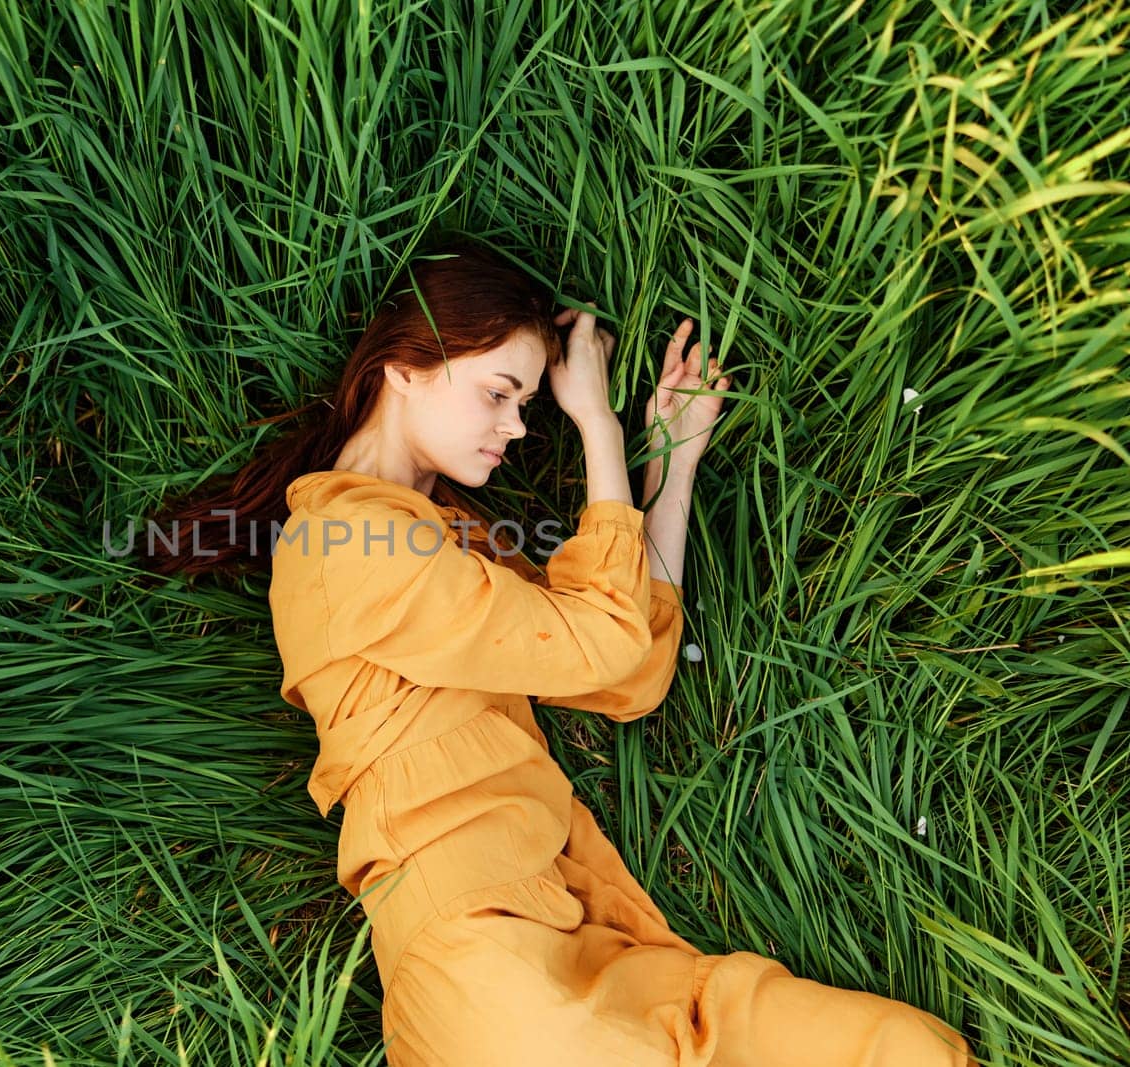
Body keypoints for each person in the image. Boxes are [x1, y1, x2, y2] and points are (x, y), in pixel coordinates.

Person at [138, 238, 973, 1066]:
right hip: (479, 963)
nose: (514, 427)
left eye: (530, 406)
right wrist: (598, 427)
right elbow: (601, 639)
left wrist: (670, 467)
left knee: (909, 1048)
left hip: (585, 938)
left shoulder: (450, 540)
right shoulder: (346, 544)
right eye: (501, 393)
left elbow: (629, 670)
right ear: (403, 366)